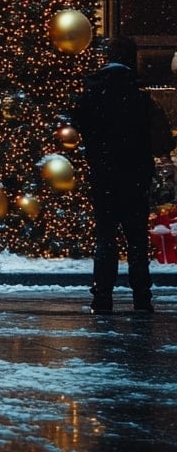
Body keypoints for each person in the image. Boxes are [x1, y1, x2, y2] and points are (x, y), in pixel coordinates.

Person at [73, 36, 159, 314]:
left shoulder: (93, 93)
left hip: (105, 175)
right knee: (136, 241)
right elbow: (157, 139)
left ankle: (102, 297)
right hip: (134, 176)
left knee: (106, 239)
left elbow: (79, 127)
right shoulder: (139, 95)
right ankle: (142, 297)